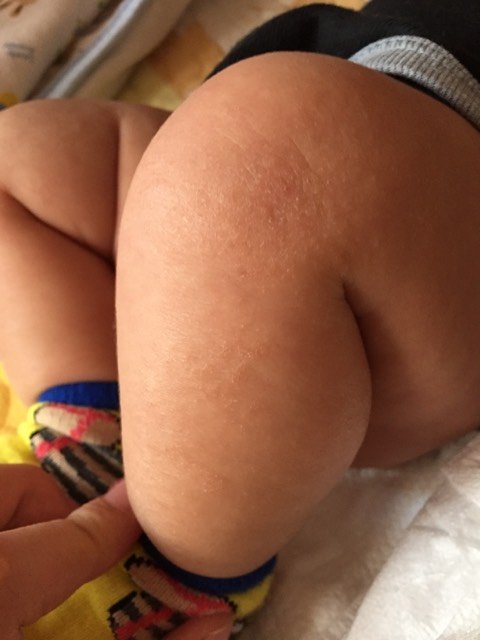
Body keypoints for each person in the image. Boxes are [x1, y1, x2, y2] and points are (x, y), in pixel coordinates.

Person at [0, 0, 479, 638]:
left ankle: (101, 453)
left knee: (23, 165)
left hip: (330, 124)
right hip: (380, 143)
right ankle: (167, 566)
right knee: (262, 174)